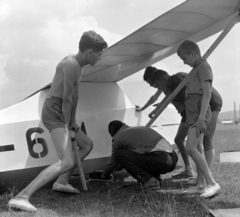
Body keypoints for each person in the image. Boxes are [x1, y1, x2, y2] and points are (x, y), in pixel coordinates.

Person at [7, 30, 108, 212]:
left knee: (87, 144)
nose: (100, 59)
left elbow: (75, 96)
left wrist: (73, 121)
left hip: (63, 111)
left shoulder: (80, 66)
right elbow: (67, 98)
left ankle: (61, 181)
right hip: (55, 111)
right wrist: (68, 125)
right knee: (66, 161)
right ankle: (22, 196)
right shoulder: (70, 64)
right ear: (89, 53)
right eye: (99, 55)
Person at [149, 69, 222, 181]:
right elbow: (169, 96)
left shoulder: (178, 78)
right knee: (179, 139)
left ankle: (207, 177)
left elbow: (191, 98)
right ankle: (189, 170)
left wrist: (197, 119)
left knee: (205, 139)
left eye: (157, 85)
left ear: (164, 79)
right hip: (190, 111)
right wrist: (157, 109)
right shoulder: (168, 86)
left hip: (208, 104)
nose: (158, 88)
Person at [176, 40, 220, 198]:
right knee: (198, 147)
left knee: (190, 147)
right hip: (193, 113)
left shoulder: (203, 67)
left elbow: (207, 94)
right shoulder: (196, 68)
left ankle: (212, 183)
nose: (184, 62)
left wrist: (201, 119)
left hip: (200, 114)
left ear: (193, 53)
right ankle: (201, 184)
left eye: (184, 58)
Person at [101, 120, 178, 190]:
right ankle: (155, 179)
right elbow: (134, 158)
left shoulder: (118, 138)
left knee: (119, 154)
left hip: (160, 159)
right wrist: (117, 168)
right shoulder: (138, 129)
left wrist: (104, 174)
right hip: (173, 158)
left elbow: (113, 161)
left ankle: (149, 181)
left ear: (112, 133)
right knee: (145, 154)